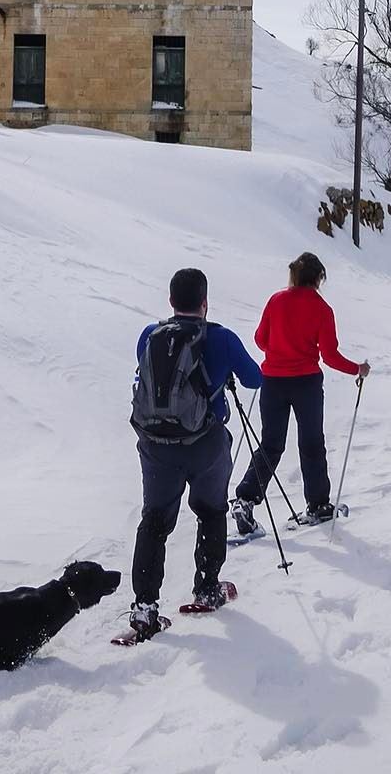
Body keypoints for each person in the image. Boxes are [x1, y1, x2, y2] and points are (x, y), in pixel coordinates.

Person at [127, 268, 262, 641]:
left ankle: (145, 608)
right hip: (205, 444)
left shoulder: (148, 336)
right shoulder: (220, 338)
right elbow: (255, 378)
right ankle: (207, 587)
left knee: (154, 521)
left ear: (171, 301)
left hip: (156, 446)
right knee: (211, 510)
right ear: (205, 302)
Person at [231, 252, 369, 532]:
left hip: (272, 380)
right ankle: (318, 504)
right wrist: (358, 369)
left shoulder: (276, 300)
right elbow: (329, 356)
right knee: (311, 444)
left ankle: (245, 499)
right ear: (319, 278)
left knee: (270, 444)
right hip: (306, 383)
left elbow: (260, 339)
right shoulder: (322, 309)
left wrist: (279, 349)